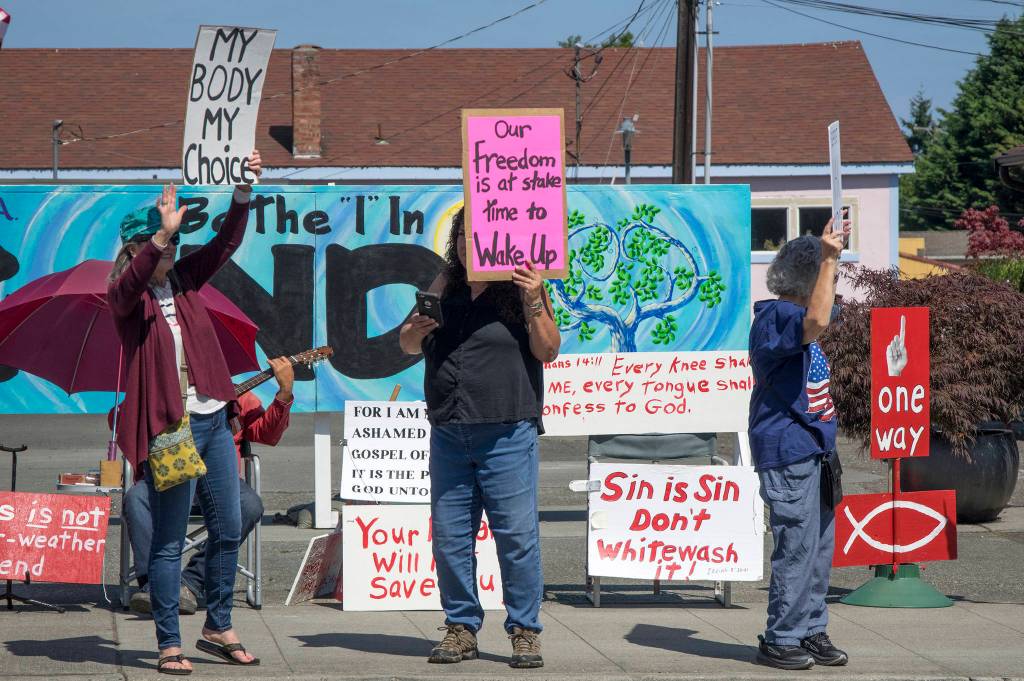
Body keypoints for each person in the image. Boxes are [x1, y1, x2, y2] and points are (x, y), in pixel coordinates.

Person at [107, 151, 262, 675]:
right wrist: (159, 237)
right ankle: (169, 642)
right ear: (137, 248)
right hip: (172, 431)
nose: (174, 248)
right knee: (170, 542)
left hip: (215, 420)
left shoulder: (186, 281)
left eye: (174, 240)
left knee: (229, 524)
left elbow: (227, 242)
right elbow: (131, 286)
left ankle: (219, 626)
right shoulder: (125, 297)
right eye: (163, 241)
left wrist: (242, 193)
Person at [399, 207, 560, 669]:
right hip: (450, 429)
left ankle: (525, 631)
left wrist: (533, 299)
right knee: (450, 538)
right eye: (466, 237)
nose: (473, 245)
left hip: (507, 430)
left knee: (516, 537)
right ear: (457, 241)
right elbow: (408, 345)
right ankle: (460, 628)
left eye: (483, 237)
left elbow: (548, 349)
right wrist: (413, 331)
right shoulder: (443, 284)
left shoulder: (523, 286)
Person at [747, 217, 852, 671]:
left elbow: (826, 312)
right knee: (797, 547)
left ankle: (810, 629)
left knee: (819, 547)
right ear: (806, 280)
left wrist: (828, 256)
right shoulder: (778, 318)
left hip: (815, 449)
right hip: (788, 449)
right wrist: (826, 258)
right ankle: (781, 636)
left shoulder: (803, 310)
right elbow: (815, 321)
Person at [120, 357, 294, 616]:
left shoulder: (238, 395)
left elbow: (267, 435)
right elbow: (120, 422)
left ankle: (191, 582)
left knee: (249, 504)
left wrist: (284, 393)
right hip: (167, 477)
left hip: (217, 483)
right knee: (135, 498)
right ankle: (154, 586)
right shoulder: (159, 389)